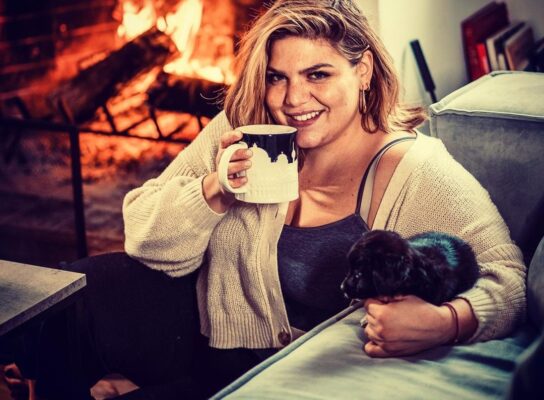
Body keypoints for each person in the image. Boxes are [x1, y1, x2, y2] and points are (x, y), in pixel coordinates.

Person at [2, 0, 526, 399]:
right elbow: (144, 237)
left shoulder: (412, 168)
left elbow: (507, 278)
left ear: (363, 70)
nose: (293, 100)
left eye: (318, 74)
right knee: (78, 291)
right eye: (278, 78)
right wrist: (213, 191)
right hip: (205, 340)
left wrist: (447, 321)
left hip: (300, 375)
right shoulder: (245, 128)